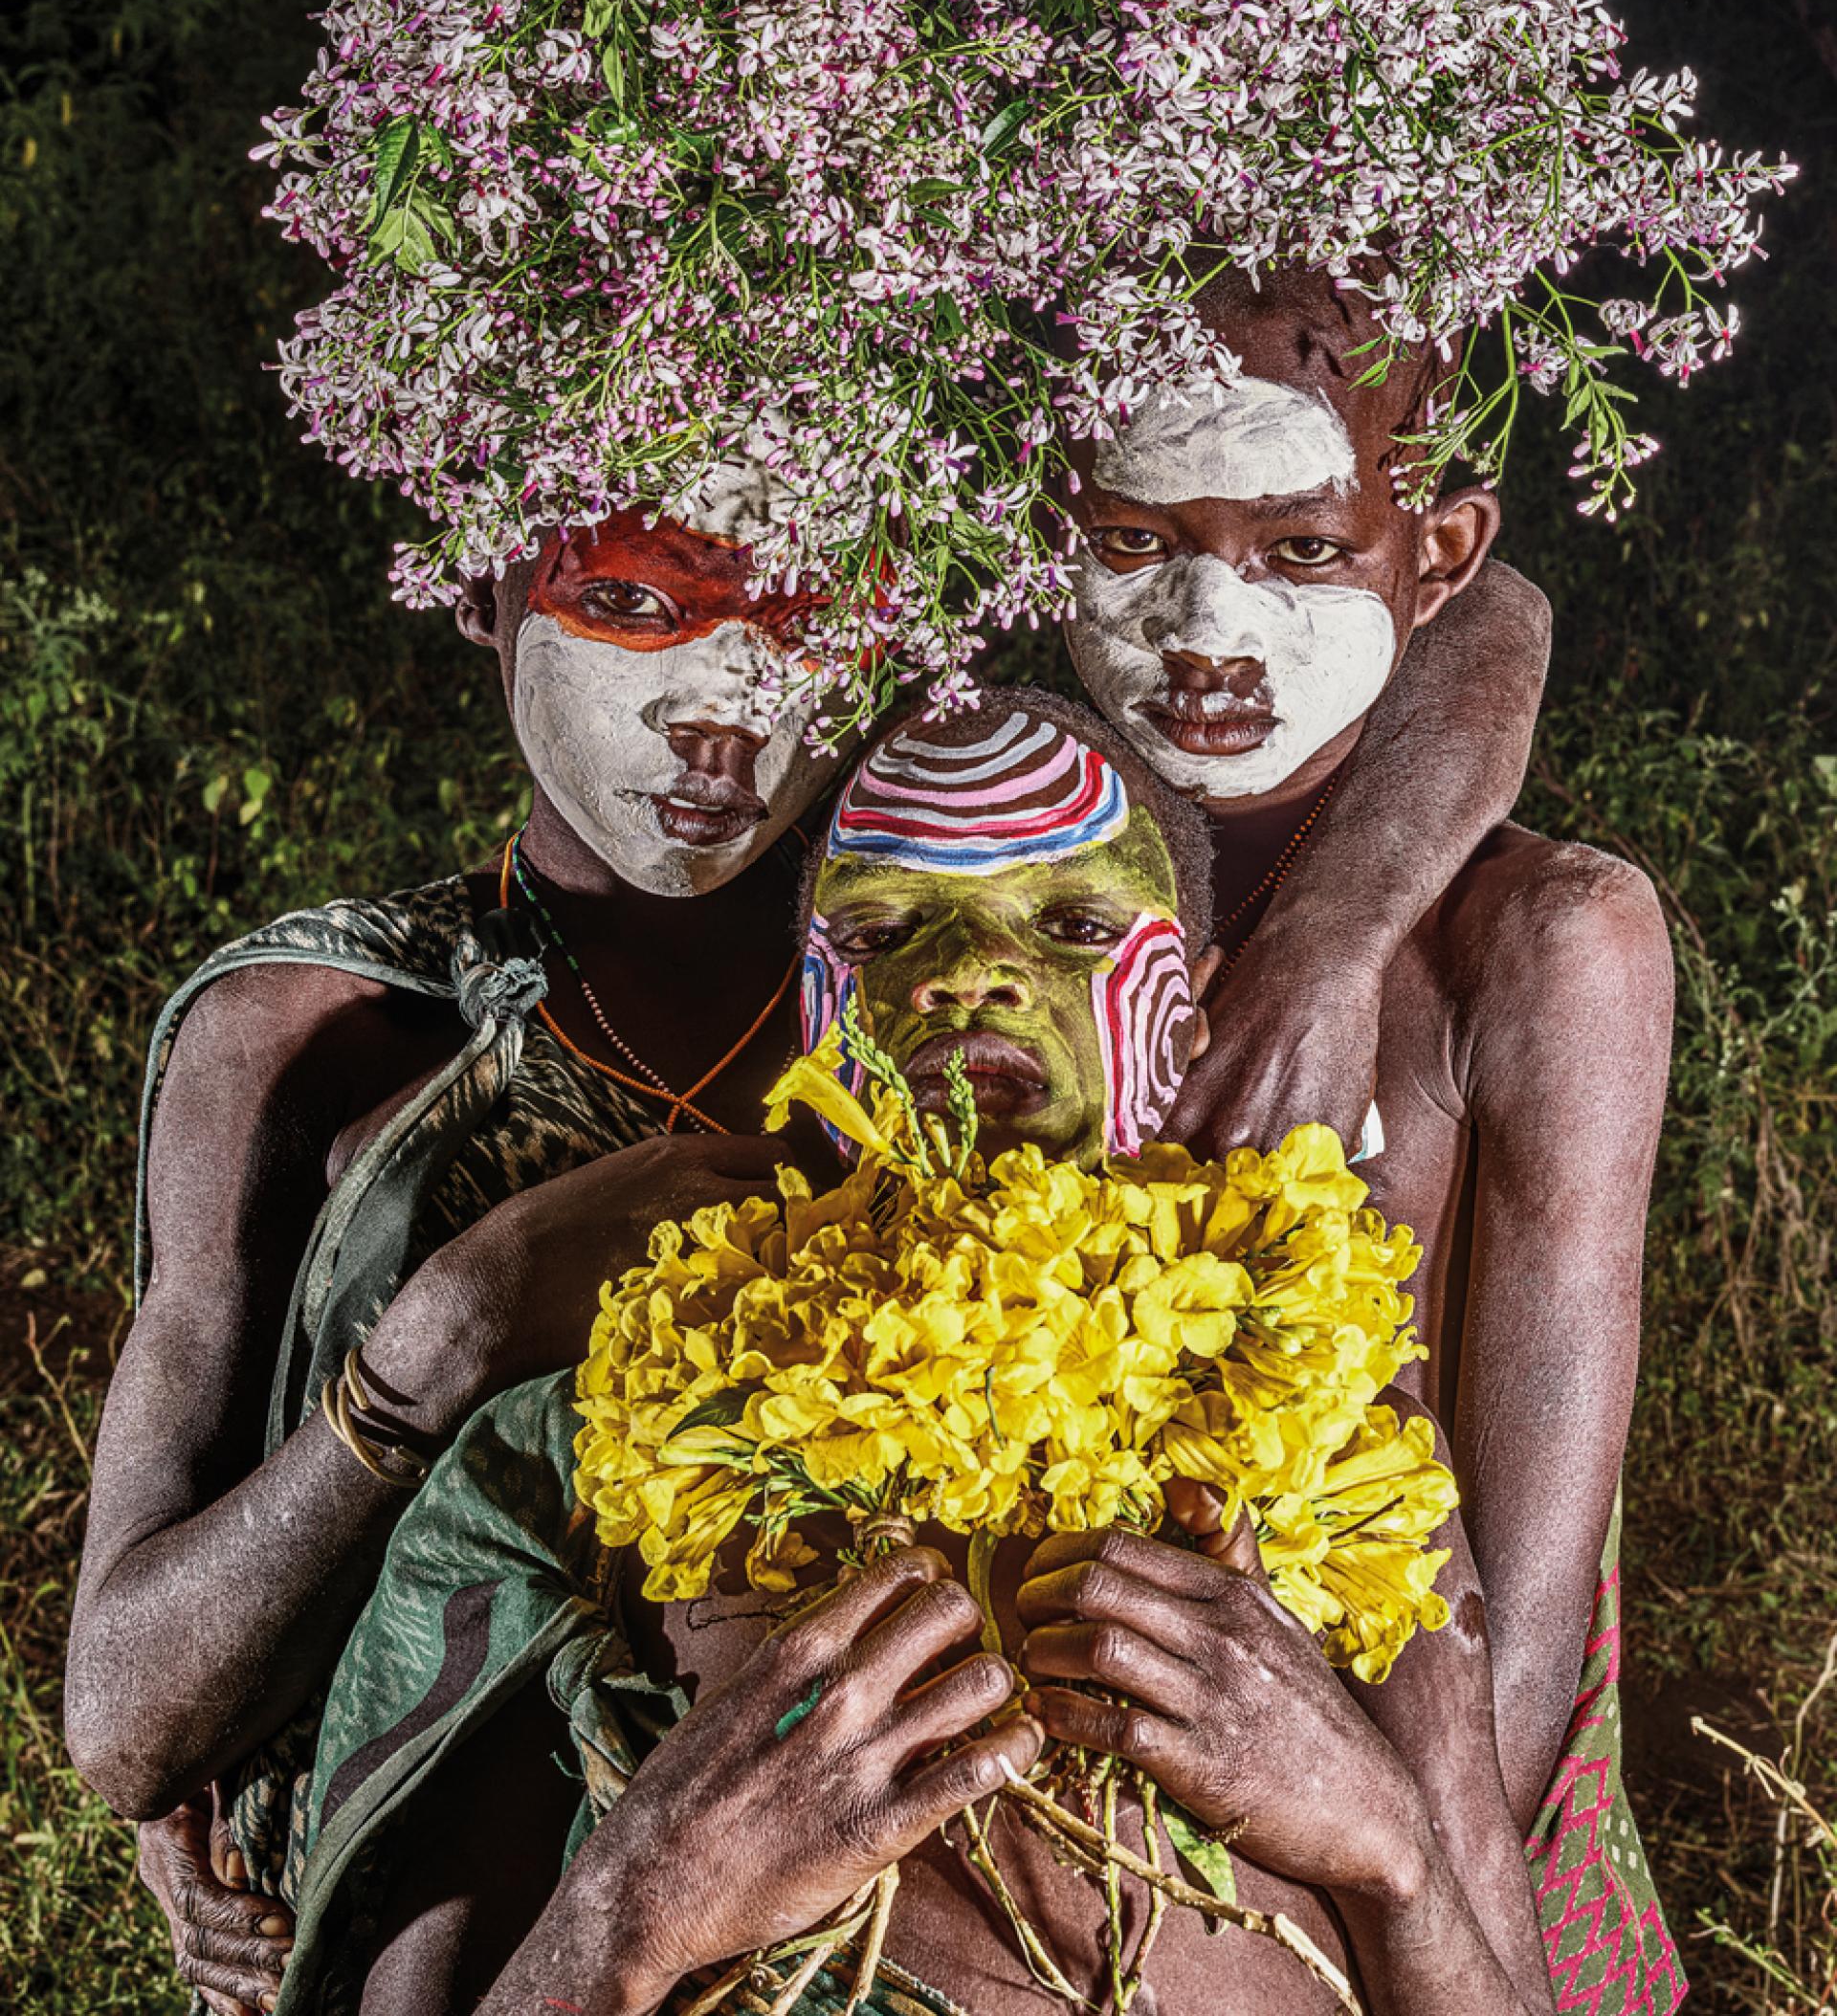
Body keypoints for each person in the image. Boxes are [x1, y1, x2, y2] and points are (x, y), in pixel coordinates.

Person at [66, 449, 1549, 2015]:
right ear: (825, 1024)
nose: (975, 980)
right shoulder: (612, 1407)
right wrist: (636, 1900)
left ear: (1191, 1003)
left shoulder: (1330, 1425)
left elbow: (1474, 605)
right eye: (898, 938)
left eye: (1070, 931)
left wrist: (1381, 1840)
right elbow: (163, 1736)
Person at [1060, 261, 1684, 2008]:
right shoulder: (989, 874)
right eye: (1135, 540)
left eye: (1301, 555)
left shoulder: (1540, 944)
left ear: (1441, 551)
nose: (1209, 631)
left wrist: (1379, 1895)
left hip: (1404, 1842)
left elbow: (1521, 1649)